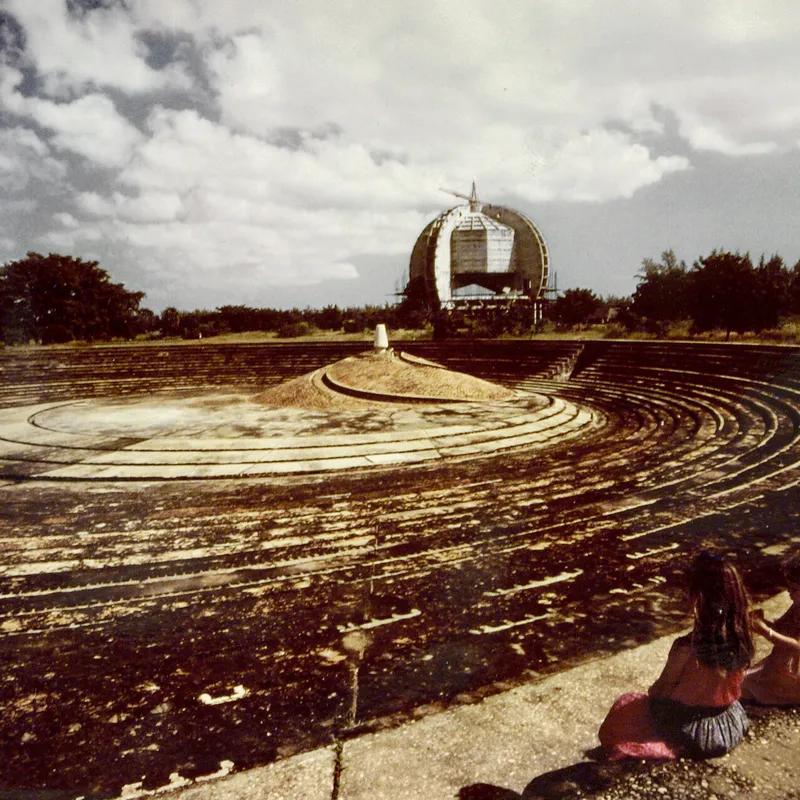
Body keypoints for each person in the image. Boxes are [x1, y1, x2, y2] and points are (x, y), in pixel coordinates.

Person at [599, 551, 754, 760]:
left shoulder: (685, 647)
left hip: (694, 733)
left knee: (625, 706)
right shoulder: (742, 640)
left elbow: (660, 691)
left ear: (697, 599)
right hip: (728, 724)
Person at [742, 551, 800, 705]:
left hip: (796, 668)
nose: (789, 592)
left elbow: (796, 646)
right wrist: (758, 623)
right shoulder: (797, 607)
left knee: (743, 687)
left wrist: (765, 630)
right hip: (784, 662)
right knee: (742, 678)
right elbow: (780, 628)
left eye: (794, 589)